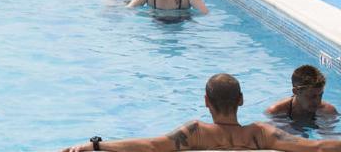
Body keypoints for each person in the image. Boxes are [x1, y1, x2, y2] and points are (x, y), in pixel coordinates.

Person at [62, 73, 341, 152]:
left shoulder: (195, 133)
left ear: (206, 101)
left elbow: (150, 144)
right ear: (241, 100)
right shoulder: (260, 133)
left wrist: (96, 145)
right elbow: (317, 147)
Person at [266, 65, 338, 121]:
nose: (317, 101)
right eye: (312, 96)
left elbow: (332, 138)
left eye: (320, 95)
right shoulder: (276, 112)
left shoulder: (328, 111)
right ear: (296, 92)